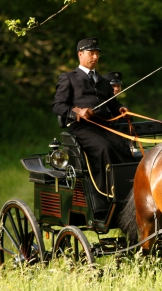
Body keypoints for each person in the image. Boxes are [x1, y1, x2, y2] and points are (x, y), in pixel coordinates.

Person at [52, 37, 134, 219]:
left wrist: (120, 109)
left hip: (104, 126)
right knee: (104, 148)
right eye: (91, 53)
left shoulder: (104, 82)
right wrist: (77, 112)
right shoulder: (69, 78)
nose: (95, 57)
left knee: (125, 149)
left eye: (97, 53)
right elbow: (58, 106)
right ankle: (107, 195)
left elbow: (113, 105)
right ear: (80, 54)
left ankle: (130, 195)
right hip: (82, 129)